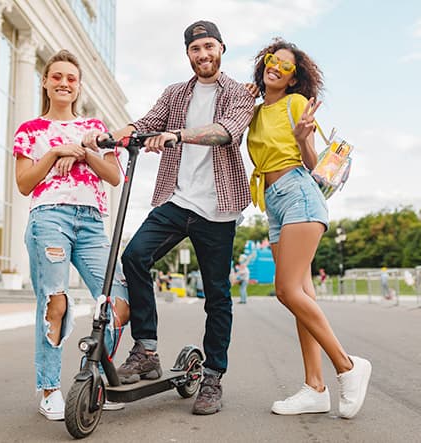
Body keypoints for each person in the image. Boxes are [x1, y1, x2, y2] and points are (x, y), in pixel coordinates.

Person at [89, 20, 255, 415]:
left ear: (221, 49)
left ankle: (213, 376)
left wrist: (177, 135)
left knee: (216, 295)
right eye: (196, 49)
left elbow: (225, 132)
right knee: (134, 256)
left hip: (219, 208)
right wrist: (112, 133)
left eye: (209, 47)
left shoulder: (238, 95)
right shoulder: (175, 93)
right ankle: (146, 349)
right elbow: (147, 123)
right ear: (188, 54)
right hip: (177, 200)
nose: (203, 55)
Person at [246, 38, 371, 419]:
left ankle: (348, 366)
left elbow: (316, 167)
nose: (276, 68)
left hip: (299, 193)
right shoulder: (252, 112)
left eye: (286, 66)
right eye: (272, 60)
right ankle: (315, 387)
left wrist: (303, 139)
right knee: (302, 295)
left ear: (293, 77)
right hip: (275, 205)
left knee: (286, 289)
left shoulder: (295, 104)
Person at [13, 49, 130, 420]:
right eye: (57, 77)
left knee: (119, 303)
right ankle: (49, 389)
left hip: (93, 221)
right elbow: (24, 183)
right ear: (45, 82)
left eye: (71, 79)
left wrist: (81, 152)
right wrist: (53, 153)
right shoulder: (30, 130)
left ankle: (89, 379)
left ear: (78, 86)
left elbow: (114, 177)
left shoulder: (94, 131)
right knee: (55, 302)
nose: (64, 83)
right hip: (50, 218)